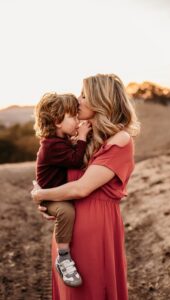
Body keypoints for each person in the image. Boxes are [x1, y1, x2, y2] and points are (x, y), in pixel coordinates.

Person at [31, 74, 140, 300]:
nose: (78, 100)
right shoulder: (84, 138)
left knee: (93, 290)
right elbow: (59, 177)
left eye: (84, 95)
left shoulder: (120, 140)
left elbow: (81, 189)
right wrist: (51, 204)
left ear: (101, 100)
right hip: (68, 233)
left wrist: (40, 195)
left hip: (97, 228)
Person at [34, 92, 91, 287]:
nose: (78, 120)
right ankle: (64, 257)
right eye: (73, 116)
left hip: (57, 193)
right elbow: (75, 160)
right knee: (66, 211)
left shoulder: (59, 142)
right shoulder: (51, 146)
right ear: (58, 121)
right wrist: (82, 137)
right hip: (51, 199)